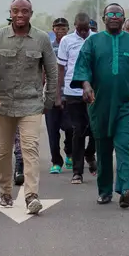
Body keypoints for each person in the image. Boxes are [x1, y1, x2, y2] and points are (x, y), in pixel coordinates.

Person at [70, 3, 129, 208]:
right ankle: (105, 190)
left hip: (128, 105)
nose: (115, 17)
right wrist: (86, 85)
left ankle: (126, 189)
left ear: (124, 19)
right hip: (100, 105)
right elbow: (82, 67)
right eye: (111, 14)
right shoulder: (93, 42)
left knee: (125, 145)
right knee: (104, 149)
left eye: (119, 14)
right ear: (103, 18)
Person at [0, 0, 58, 213]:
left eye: (24, 11)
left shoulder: (42, 39)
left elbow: (51, 72)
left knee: (30, 148)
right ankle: (5, 191)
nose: (20, 15)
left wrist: (49, 100)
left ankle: (31, 195)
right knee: (3, 152)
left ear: (31, 13)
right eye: (16, 11)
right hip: (2, 104)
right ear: (10, 13)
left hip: (31, 103)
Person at [58, 13, 99, 184]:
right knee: (78, 130)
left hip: (94, 92)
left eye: (86, 29)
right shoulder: (66, 41)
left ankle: (90, 153)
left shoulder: (97, 39)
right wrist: (58, 94)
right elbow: (61, 68)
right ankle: (77, 171)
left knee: (96, 129)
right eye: (80, 29)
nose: (83, 33)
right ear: (74, 26)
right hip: (73, 92)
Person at [45, 17, 72, 174]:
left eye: (63, 28)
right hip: (50, 94)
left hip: (69, 94)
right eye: (57, 27)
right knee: (52, 130)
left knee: (71, 128)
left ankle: (69, 152)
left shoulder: (72, 45)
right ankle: (56, 161)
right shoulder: (48, 47)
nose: (60, 30)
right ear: (53, 29)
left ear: (68, 29)